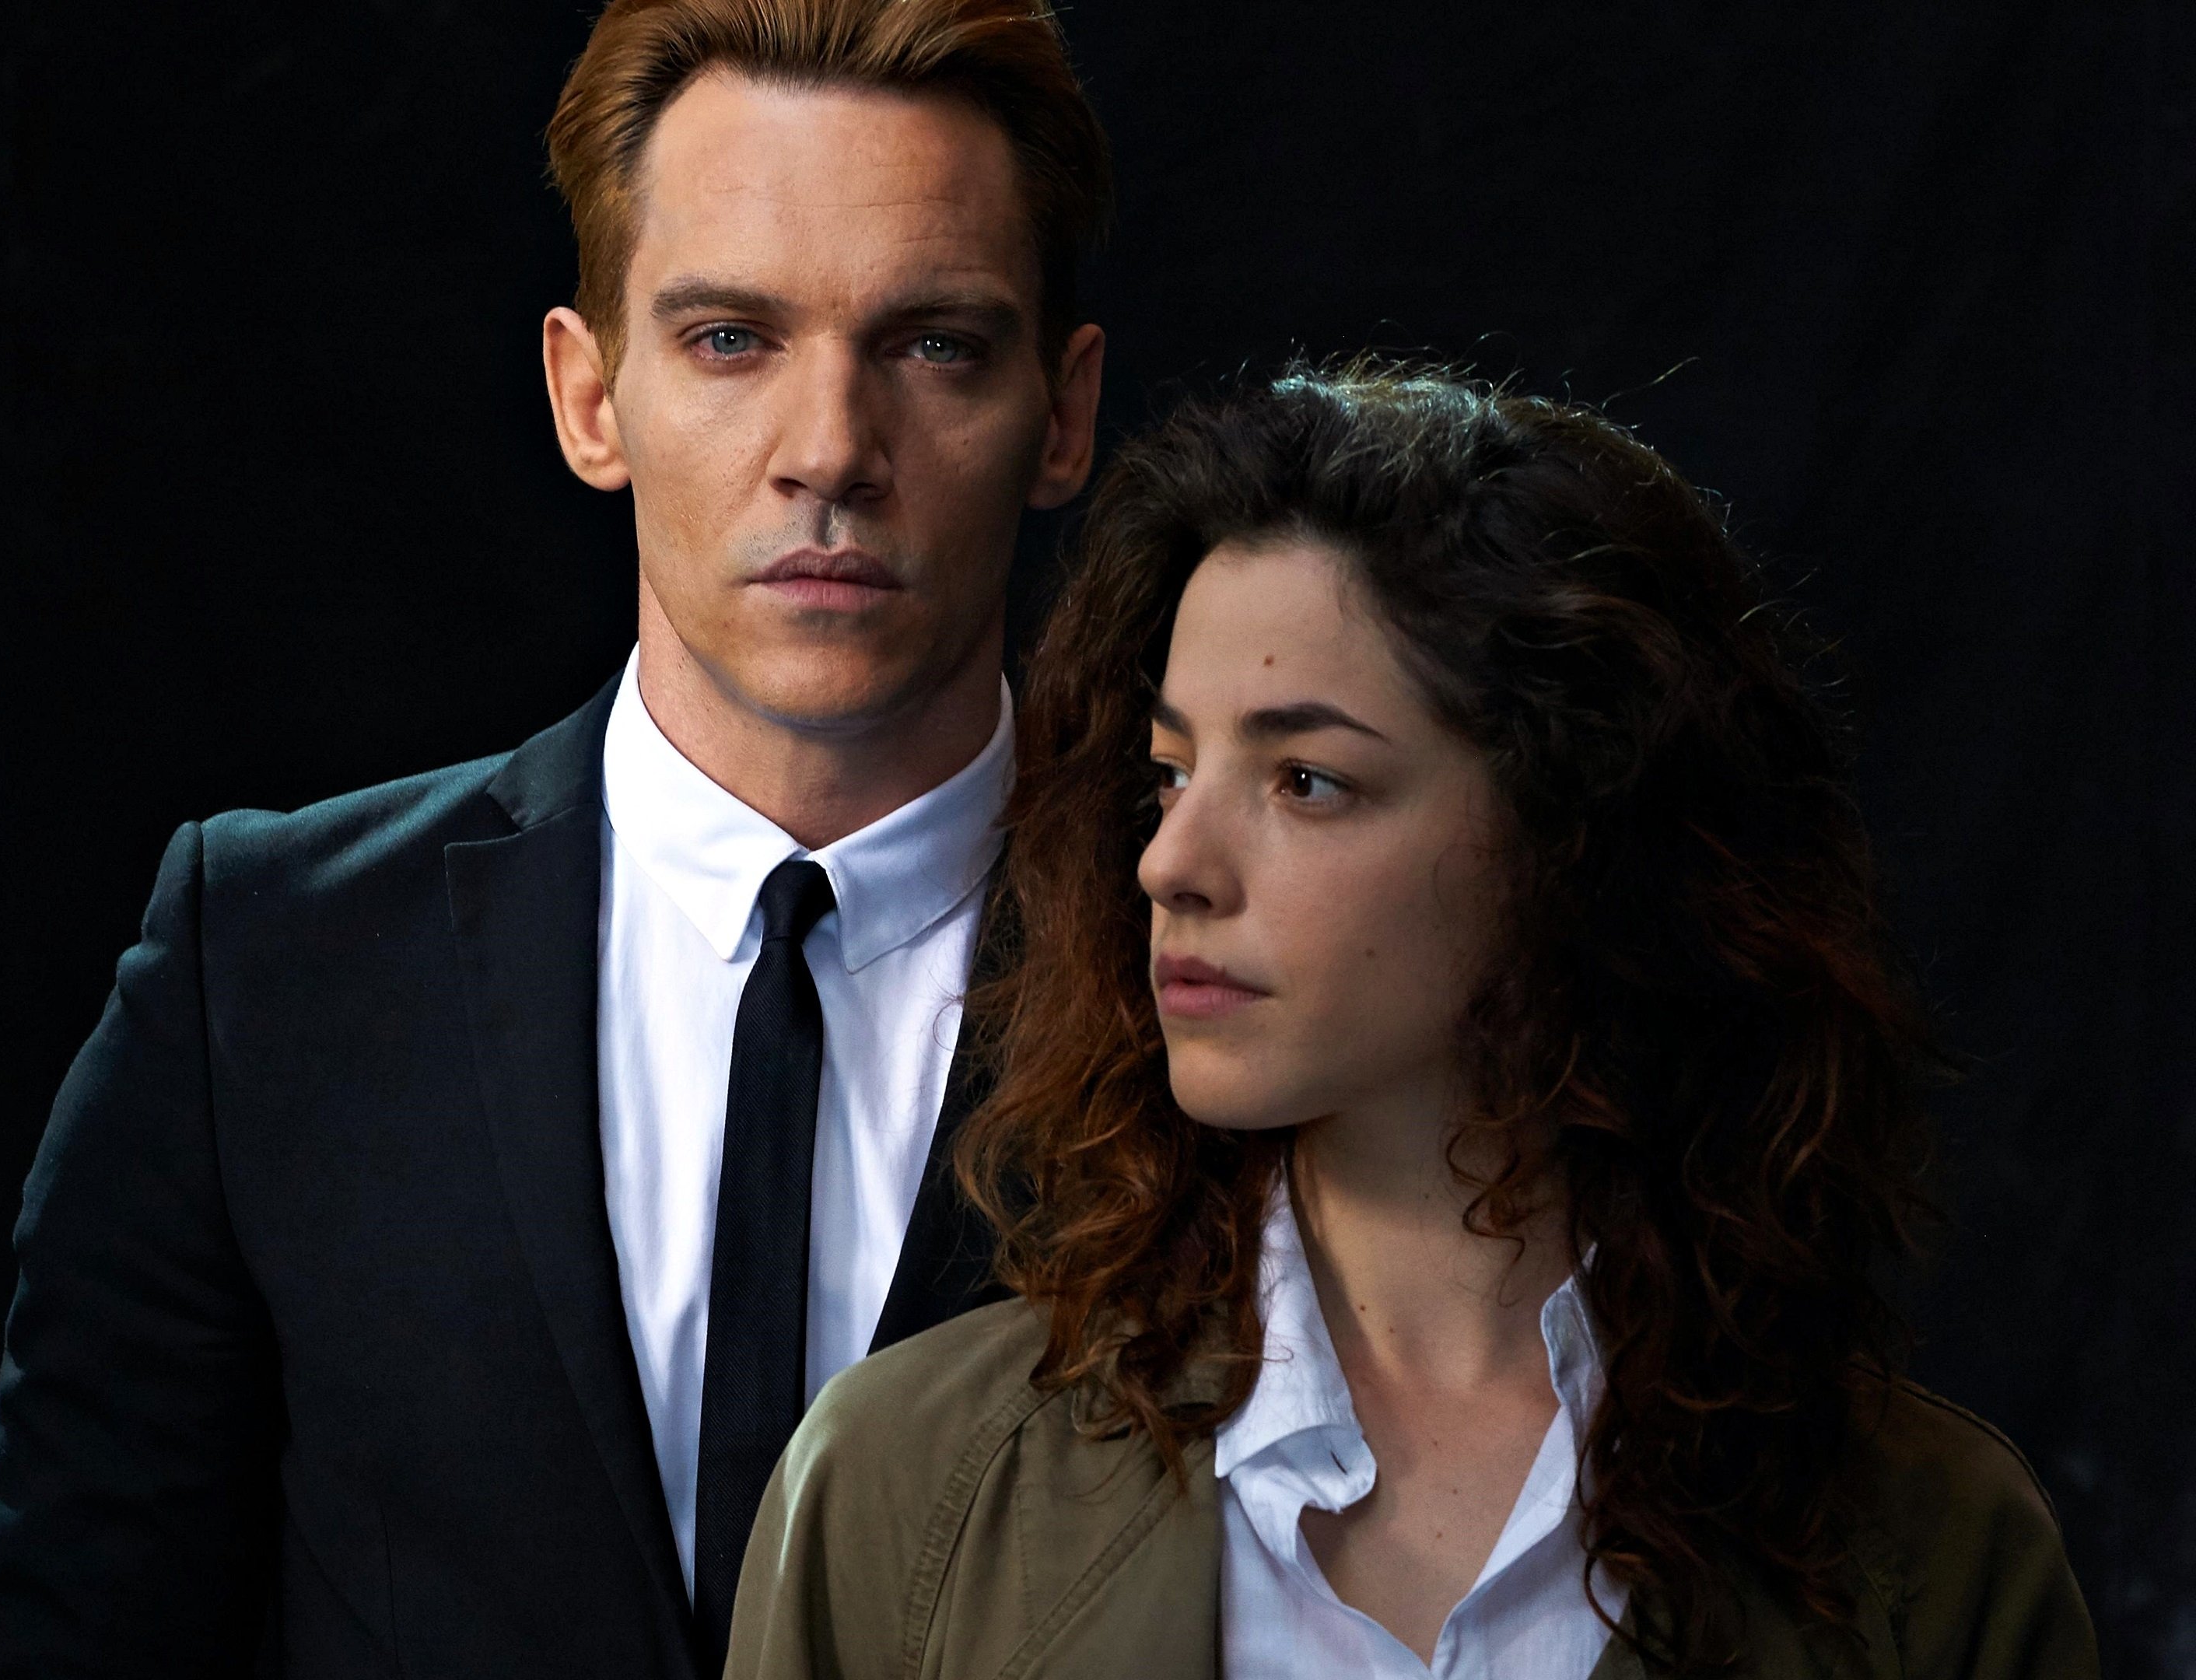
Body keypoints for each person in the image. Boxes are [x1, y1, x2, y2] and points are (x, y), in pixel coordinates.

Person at [0, 2, 1109, 1675]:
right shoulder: (265, 970)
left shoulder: (1223, 974)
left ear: (1063, 413)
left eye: (933, 345)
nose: (830, 452)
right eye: (732, 338)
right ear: (589, 396)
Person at [724, 366, 2100, 1679]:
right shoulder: (904, 1492)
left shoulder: (1936, 1553)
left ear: (1569, 835)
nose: (1172, 863)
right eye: (1169, 774)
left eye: (1307, 780)